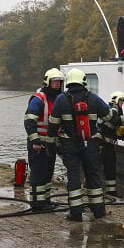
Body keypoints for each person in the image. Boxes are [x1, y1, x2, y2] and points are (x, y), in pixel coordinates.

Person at [47, 68, 113, 222]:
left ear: (68, 82)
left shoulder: (61, 99)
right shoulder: (93, 98)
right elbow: (108, 116)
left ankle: (76, 213)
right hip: (90, 144)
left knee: (74, 175)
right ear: (84, 81)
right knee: (93, 175)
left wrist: (50, 145)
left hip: (70, 144)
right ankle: (98, 211)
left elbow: (53, 124)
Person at [24, 68, 64, 211]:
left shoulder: (58, 98)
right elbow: (29, 121)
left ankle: (45, 201)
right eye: (54, 81)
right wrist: (35, 141)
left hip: (51, 143)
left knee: (48, 173)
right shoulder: (39, 98)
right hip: (39, 144)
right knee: (38, 174)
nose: (57, 83)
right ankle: (37, 204)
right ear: (48, 82)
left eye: (59, 81)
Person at [98, 91, 124, 197]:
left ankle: (111, 191)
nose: (123, 103)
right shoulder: (111, 110)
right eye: (121, 100)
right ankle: (91, 188)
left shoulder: (118, 110)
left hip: (110, 145)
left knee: (111, 167)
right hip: (101, 144)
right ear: (116, 100)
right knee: (96, 166)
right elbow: (115, 121)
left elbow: (122, 124)